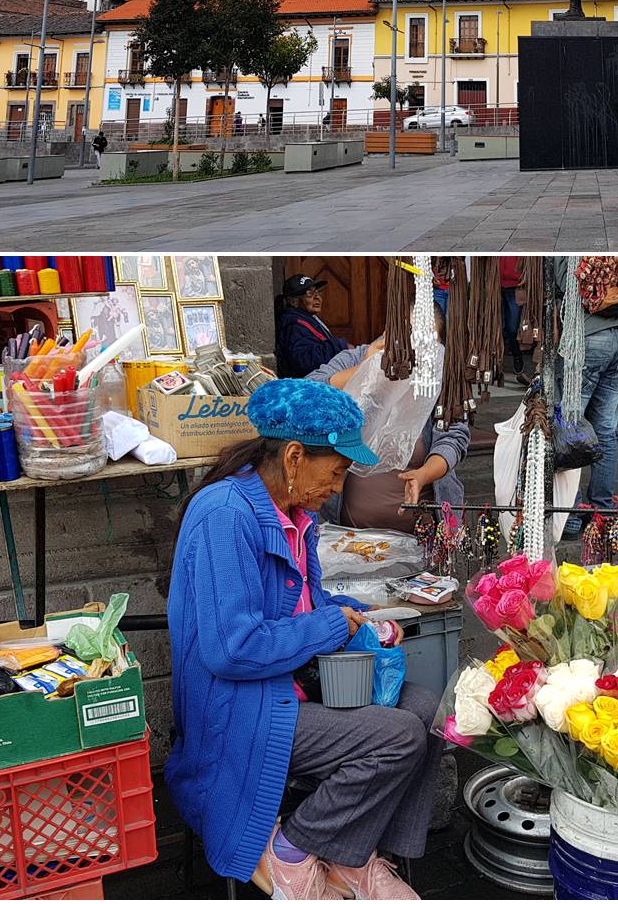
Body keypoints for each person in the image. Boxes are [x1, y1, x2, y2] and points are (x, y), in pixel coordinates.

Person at [165, 379, 433, 900]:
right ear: (293, 457)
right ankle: (292, 848)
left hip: (288, 687)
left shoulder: (296, 516)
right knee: (398, 737)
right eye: (334, 472)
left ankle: (355, 855)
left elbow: (305, 606)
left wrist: (357, 614)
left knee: (425, 709)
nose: (337, 486)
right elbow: (232, 648)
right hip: (238, 708)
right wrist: (333, 627)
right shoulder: (225, 516)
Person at [308, 330, 470, 531]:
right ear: (387, 334)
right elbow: (308, 393)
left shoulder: (439, 377)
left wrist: (424, 475)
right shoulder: (357, 358)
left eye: (427, 346)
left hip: (422, 537)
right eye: (408, 338)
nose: (414, 353)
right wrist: (366, 368)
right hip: (350, 537)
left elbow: (453, 438)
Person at [563, 256, 618, 540]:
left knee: (571, 427)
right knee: (605, 428)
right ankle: (602, 510)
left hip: (589, 335)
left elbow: (563, 282)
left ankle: (573, 514)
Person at [276, 275, 349, 379]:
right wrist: (340, 345)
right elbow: (303, 361)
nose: (317, 297)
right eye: (309, 294)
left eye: (317, 292)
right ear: (293, 301)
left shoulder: (306, 318)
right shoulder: (294, 326)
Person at [500, 256, 528, 385]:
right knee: (500, 326)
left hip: (515, 286)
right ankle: (496, 364)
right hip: (497, 285)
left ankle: (517, 357)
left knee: (512, 328)